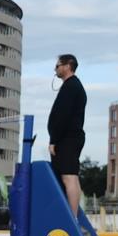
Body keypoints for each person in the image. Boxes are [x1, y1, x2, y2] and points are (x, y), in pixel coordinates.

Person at [48, 53, 87, 218]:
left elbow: (62, 116)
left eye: (57, 66)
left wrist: (54, 140)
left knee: (68, 177)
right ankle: (72, 215)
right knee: (70, 177)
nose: (55, 69)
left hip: (68, 139)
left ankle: (72, 217)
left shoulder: (71, 87)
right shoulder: (73, 86)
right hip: (70, 137)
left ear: (67, 66)